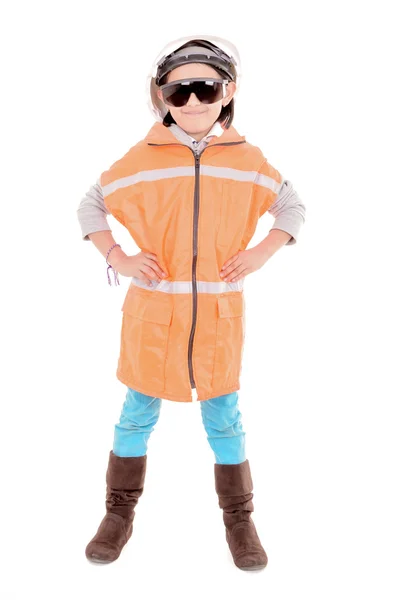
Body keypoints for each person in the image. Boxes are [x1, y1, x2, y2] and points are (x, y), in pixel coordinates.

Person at [77, 34, 306, 570]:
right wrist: (119, 256)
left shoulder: (248, 160)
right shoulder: (140, 160)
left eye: (205, 87)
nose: (194, 101)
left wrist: (263, 251)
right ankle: (118, 512)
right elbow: (91, 204)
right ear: (161, 98)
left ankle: (240, 518)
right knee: (135, 414)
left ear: (227, 91)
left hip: (218, 323)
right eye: (178, 92)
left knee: (225, 418)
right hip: (153, 320)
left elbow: (291, 205)